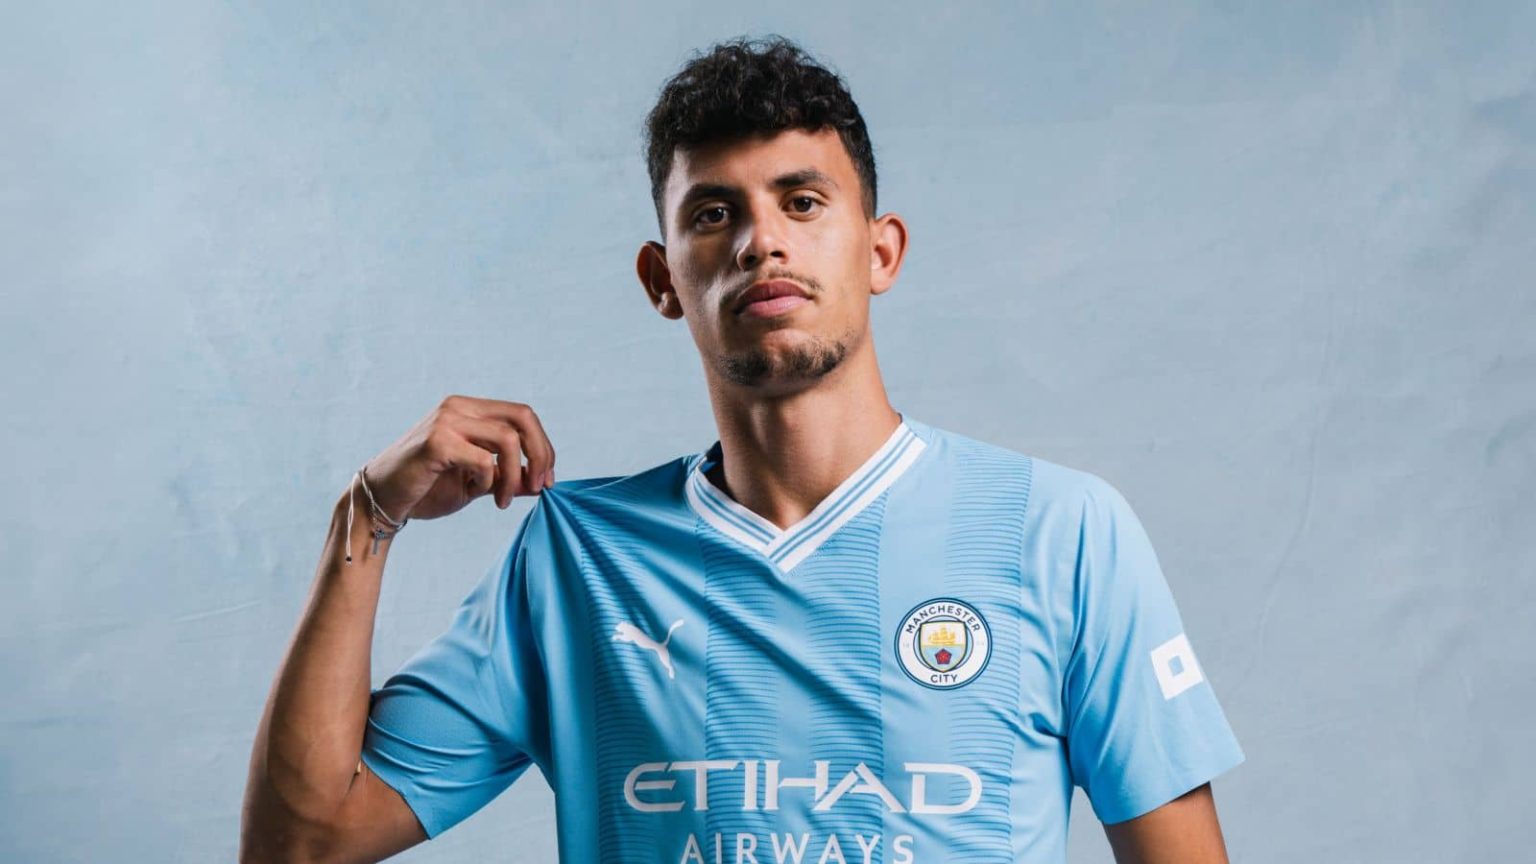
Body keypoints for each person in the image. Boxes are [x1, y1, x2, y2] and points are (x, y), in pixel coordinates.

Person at [240, 35, 1244, 864]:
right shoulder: (580, 557)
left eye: (802, 202)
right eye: (715, 214)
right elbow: (300, 842)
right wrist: (367, 516)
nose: (763, 241)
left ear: (880, 251)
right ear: (662, 279)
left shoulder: (1058, 531)